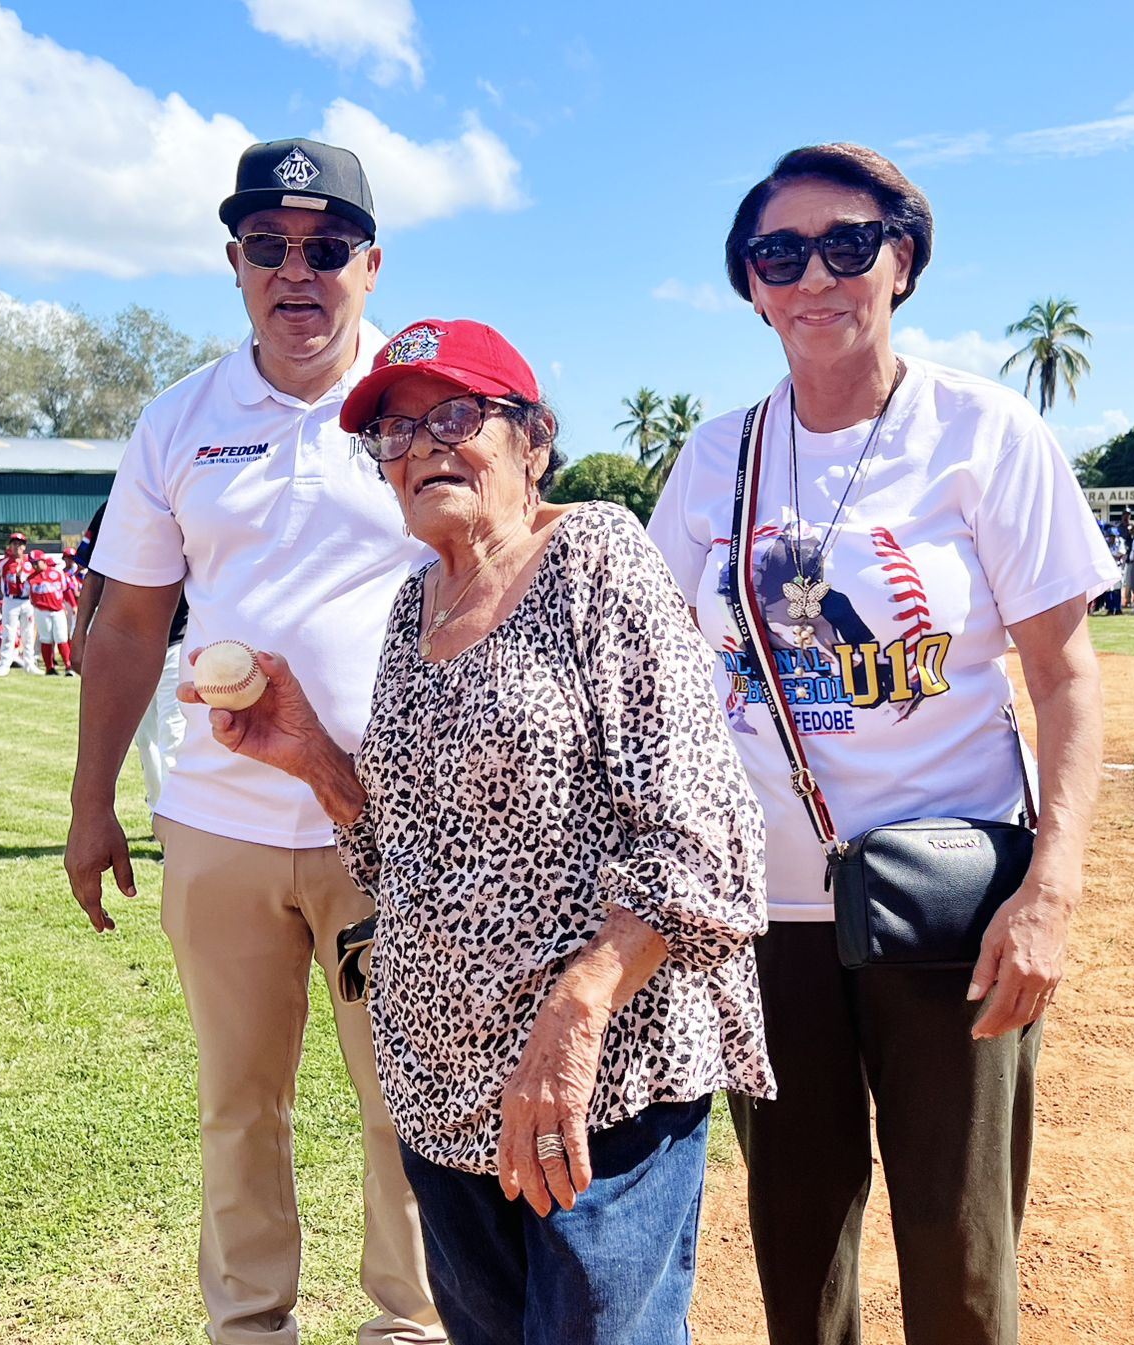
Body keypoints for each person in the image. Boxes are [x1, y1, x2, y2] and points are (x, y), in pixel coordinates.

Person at [191, 317, 772, 1345]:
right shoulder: (411, 608)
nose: (421, 447)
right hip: (442, 1090)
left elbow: (703, 830)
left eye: (454, 416)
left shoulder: (594, 556)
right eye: (395, 432)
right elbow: (401, 854)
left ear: (532, 440)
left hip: (598, 1081)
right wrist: (317, 762)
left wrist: (576, 1014)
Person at [648, 142, 1116, 1345]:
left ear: (900, 260)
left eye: (846, 244)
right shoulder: (716, 457)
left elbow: (1063, 676)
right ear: (749, 283)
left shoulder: (984, 431)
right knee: (796, 1231)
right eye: (778, 253)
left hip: (945, 897)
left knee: (958, 1241)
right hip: (763, 906)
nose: (814, 275)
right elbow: (656, 670)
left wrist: (1051, 891)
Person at [64, 138, 445, 1345]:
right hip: (221, 818)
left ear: (370, 265)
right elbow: (126, 623)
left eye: (327, 248)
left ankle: (412, 1326)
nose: (298, 272)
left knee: (408, 1103)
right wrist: (89, 804)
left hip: (391, 821)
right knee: (238, 1104)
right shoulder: (180, 419)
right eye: (269, 248)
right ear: (233, 264)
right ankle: (249, 1327)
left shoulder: (424, 408)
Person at [72, 503, 185, 806]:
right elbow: (94, 576)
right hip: (129, 644)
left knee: (175, 737)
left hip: (181, 639)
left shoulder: (187, 496)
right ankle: (159, 814)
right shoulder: (113, 507)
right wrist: (79, 636)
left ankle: (174, 827)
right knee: (146, 741)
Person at [0, 531, 42, 676]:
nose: (17, 547)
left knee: (28, 633)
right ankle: (5, 664)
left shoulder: (30, 562)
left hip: (27, 600)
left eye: (20, 544)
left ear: (24, 547)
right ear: (10, 546)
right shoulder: (4, 562)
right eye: (14, 544)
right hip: (11, 600)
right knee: (9, 632)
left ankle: (29, 663)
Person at [26, 551, 75, 675]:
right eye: (32, 563)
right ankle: (49, 667)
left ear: (43, 561)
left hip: (58, 609)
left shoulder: (57, 573)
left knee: (62, 637)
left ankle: (68, 666)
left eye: (36, 563)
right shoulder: (30, 578)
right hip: (41, 611)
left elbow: (66, 590)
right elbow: (26, 596)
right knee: (46, 639)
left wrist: (73, 604)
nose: (34, 566)